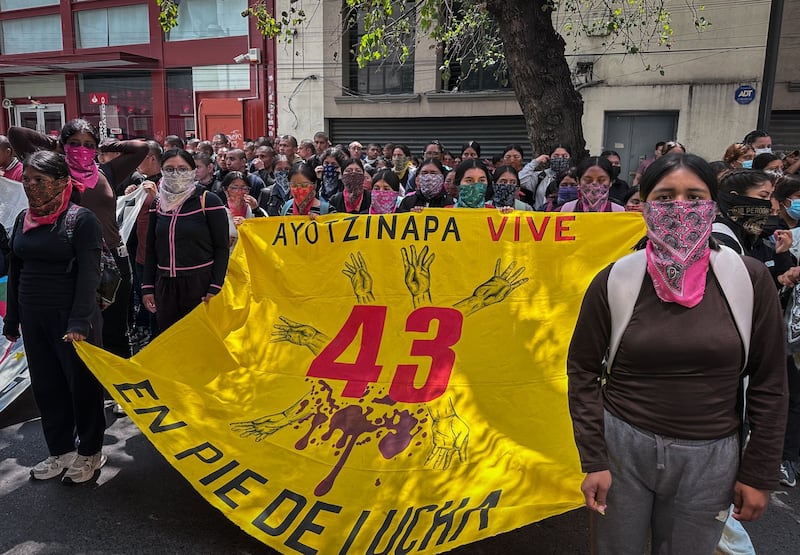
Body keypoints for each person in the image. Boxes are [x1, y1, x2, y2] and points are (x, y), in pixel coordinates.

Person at [568, 152, 788, 554]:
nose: (680, 208)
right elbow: (582, 370)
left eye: (694, 195)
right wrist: (594, 458)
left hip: (712, 456)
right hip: (623, 450)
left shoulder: (748, 279)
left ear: (713, 205)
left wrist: (759, 472)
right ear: (645, 206)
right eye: (665, 198)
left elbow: (770, 382)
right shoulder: (616, 279)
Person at [3, 150, 107, 484]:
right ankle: (60, 450)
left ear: (62, 182)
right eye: (28, 180)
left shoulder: (82, 220)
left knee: (82, 386)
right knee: (47, 387)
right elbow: (17, 271)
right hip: (33, 316)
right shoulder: (23, 219)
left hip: (72, 317)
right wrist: (12, 320)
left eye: (40, 180)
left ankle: (90, 451)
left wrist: (79, 322)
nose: (31, 186)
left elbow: (90, 275)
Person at [9, 120, 147, 359]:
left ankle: (115, 387)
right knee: (84, 327)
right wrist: (55, 143)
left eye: (87, 145)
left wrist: (104, 145)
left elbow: (141, 148)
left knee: (116, 328)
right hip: (74, 262)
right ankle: (86, 384)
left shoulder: (107, 172)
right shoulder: (53, 173)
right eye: (74, 144)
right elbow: (15, 134)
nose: (81, 149)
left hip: (113, 260)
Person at [141, 149, 229, 333]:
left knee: (198, 342)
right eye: (170, 169)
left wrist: (215, 287)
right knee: (169, 342)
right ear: (162, 171)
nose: (176, 174)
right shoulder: (157, 204)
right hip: (165, 287)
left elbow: (222, 247)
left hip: (199, 285)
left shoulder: (208, 201)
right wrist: (147, 286)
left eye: (182, 169)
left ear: (192, 171)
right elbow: (151, 248)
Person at [559, 157, 624, 212]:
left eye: (601, 180)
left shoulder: (619, 211)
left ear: (610, 182)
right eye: (588, 180)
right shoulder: (567, 209)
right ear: (578, 181)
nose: (594, 184)